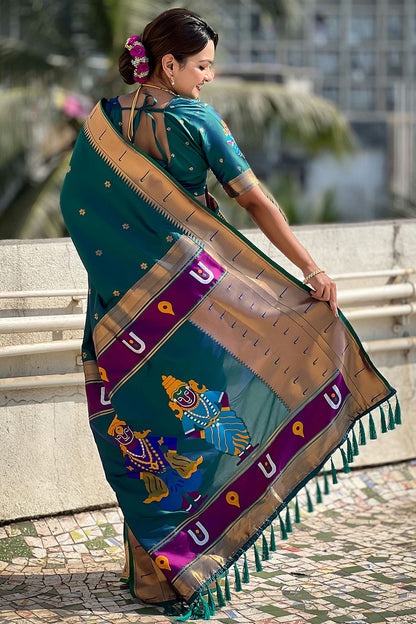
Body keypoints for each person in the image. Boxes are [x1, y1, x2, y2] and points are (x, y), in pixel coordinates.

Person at [60, 8, 398, 619]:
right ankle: (185, 562)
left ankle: (151, 570)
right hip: (197, 304)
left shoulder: (103, 122)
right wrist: (311, 269)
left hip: (123, 311)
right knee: (203, 422)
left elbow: (76, 203)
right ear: (168, 65)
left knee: (143, 421)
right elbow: (256, 201)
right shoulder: (198, 121)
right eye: (203, 66)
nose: (209, 77)